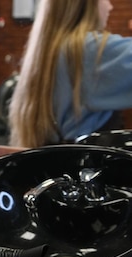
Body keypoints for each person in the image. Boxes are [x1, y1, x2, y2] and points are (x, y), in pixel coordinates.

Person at [8, 0, 132, 148]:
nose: (110, 6)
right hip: (85, 165)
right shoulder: (88, 51)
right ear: (86, 4)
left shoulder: (44, 51)